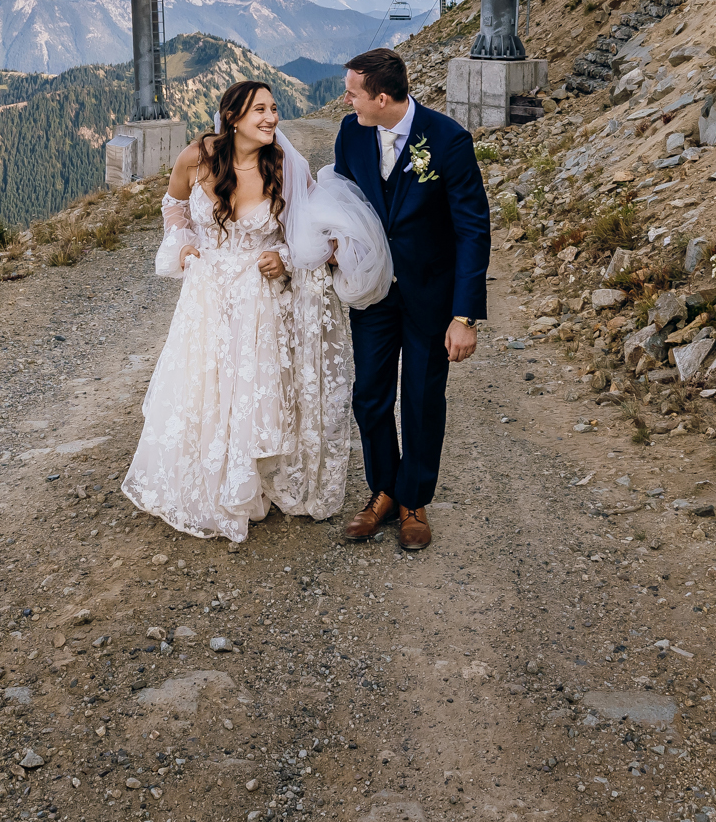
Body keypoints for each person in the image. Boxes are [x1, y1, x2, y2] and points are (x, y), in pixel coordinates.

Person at [121, 80, 389, 543]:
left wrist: (284, 258)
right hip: (208, 295)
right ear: (233, 117)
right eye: (259, 110)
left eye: (274, 109)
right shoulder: (197, 157)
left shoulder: (285, 167)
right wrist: (184, 247)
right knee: (210, 384)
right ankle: (214, 478)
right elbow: (175, 207)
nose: (271, 118)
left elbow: (314, 234)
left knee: (261, 387)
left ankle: (262, 476)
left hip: (264, 299)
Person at [330, 47, 491, 552]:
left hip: (429, 295)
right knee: (370, 397)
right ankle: (382, 491)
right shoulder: (350, 132)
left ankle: (414, 501)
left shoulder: (447, 140)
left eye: (354, 91)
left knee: (421, 401)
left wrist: (464, 314)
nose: (346, 99)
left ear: (381, 97)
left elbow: (472, 229)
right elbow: (343, 200)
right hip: (372, 293)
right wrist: (335, 245)